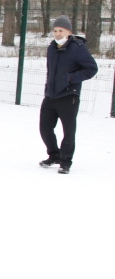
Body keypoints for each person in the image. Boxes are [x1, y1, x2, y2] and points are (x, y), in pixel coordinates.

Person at [39, 15, 98, 174]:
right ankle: (54, 155)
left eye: (61, 30)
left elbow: (92, 69)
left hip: (68, 96)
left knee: (68, 131)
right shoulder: (52, 47)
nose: (57, 34)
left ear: (69, 32)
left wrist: (70, 78)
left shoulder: (77, 48)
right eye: (55, 30)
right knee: (45, 128)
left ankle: (65, 162)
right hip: (51, 95)